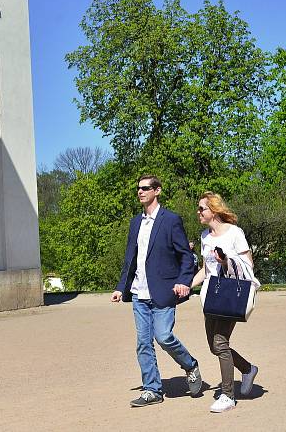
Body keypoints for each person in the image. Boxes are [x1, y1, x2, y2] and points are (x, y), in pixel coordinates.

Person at [111, 175, 202, 407]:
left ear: (157, 191)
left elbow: (185, 257)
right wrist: (121, 287)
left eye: (145, 188)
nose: (140, 192)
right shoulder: (135, 223)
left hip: (163, 291)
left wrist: (184, 281)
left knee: (163, 337)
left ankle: (190, 365)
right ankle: (152, 390)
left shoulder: (170, 220)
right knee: (143, 343)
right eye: (138, 189)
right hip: (139, 294)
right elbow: (130, 259)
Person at [191, 191, 260, 413]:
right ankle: (248, 369)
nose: (198, 212)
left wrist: (226, 262)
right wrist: (187, 286)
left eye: (202, 208)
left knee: (220, 343)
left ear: (214, 210)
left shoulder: (234, 233)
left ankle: (228, 395)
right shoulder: (204, 237)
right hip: (211, 295)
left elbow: (248, 264)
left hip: (231, 294)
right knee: (214, 346)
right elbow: (205, 269)